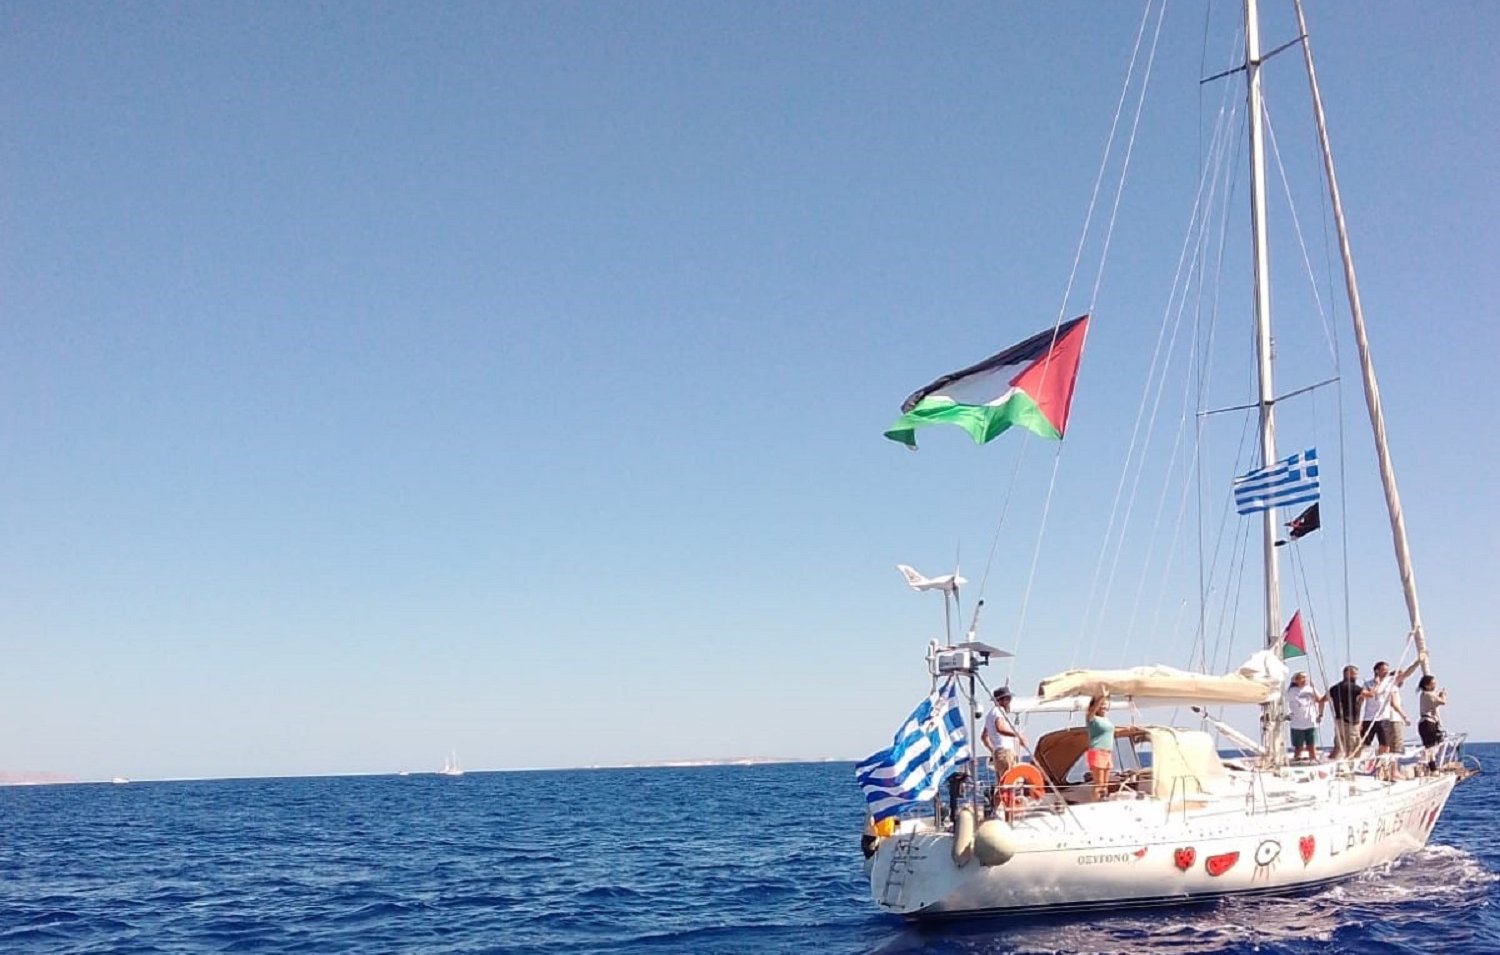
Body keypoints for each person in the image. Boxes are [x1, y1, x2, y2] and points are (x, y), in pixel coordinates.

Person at [1361, 658, 1420, 779]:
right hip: (1369, 718)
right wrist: (1377, 684)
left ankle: (1382, 769)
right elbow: (1368, 695)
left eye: (1387, 670)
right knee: (1365, 745)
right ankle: (1362, 767)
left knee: (1385, 746)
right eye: (1384, 670)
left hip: (1384, 718)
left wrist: (1417, 663)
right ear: (1377, 671)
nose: (1387, 672)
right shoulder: (1367, 683)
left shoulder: (1390, 682)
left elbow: (1405, 674)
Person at [982, 687, 1025, 808]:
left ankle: (994, 811)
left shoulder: (990, 715)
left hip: (998, 753)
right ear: (1003, 700)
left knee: (1002, 786)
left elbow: (984, 737)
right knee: (1009, 784)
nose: (1010, 701)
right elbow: (999, 728)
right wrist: (1017, 735)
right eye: (1008, 699)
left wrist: (993, 750)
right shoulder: (998, 711)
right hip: (1005, 752)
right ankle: (1009, 815)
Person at [1327, 665, 1364, 761]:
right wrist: (1376, 685)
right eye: (1354, 674)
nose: (1356, 677)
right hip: (1350, 721)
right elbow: (1371, 694)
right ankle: (1349, 764)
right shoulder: (1354, 688)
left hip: (1339, 720)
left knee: (1339, 745)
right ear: (1347, 674)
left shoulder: (1334, 688)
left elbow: (1322, 699)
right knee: (1353, 746)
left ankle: (1330, 761)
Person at [1286, 671, 1324, 762]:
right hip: (1297, 723)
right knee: (1298, 747)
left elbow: (1320, 700)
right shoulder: (1290, 691)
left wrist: (1320, 714)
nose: (1304, 679)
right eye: (1302, 678)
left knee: (1311, 746)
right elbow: (1282, 702)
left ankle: (1313, 760)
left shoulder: (1310, 689)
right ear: (1296, 680)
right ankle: (1296, 760)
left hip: (1310, 722)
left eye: (1305, 677)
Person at [1085, 693, 1113, 802]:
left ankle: (1103, 802)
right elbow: (1092, 710)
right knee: (1099, 784)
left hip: (1107, 752)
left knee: (1105, 785)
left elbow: (1108, 732)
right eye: (1101, 705)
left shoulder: (1106, 719)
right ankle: (1095, 803)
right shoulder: (1092, 718)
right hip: (1097, 751)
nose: (1104, 707)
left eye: (1105, 705)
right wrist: (1101, 696)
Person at [1416, 674, 1447, 771]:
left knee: (1429, 746)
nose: (1435, 686)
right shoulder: (1428, 695)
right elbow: (1442, 702)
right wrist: (1443, 695)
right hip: (1428, 723)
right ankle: (1432, 766)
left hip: (1424, 723)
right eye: (1433, 684)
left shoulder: (1424, 695)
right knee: (1432, 746)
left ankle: (1431, 766)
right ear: (1427, 685)